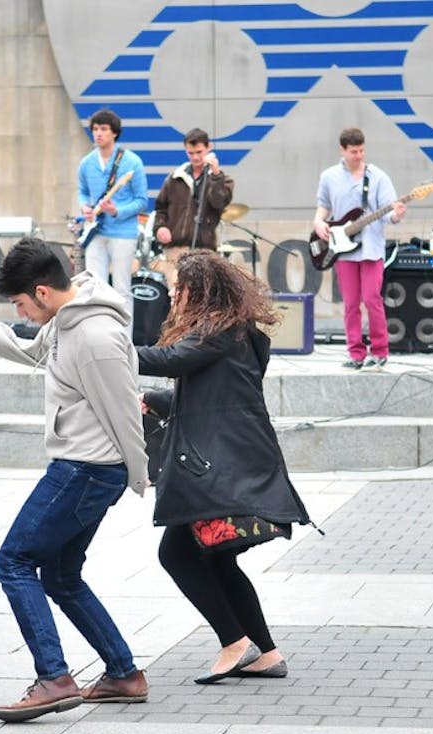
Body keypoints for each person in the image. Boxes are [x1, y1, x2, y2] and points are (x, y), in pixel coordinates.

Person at [0, 237, 150, 723]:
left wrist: (137, 476)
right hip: (84, 467)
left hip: (85, 470)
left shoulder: (94, 337)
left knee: (13, 562)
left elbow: (124, 409)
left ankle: (54, 678)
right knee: (60, 575)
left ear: (43, 292)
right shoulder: (65, 323)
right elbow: (29, 350)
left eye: (19, 303)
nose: (21, 311)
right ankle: (123, 673)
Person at [137, 251, 313, 685]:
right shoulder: (230, 332)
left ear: (199, 291)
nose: (173, 294)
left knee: (177, 554)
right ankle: (266, 654)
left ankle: (235, 643)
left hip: (221, 471)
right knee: (216, 562)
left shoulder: (219, 331)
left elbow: (168, 361)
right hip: (229, 465)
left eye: (179, 287)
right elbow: (216, 396)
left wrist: (103, 347)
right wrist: (158, 401)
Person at [314, 127, 406, 370]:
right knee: (351, 303)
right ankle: (355, 353)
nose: (359, 156)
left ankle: (380, 350)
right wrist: (318, 222)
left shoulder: (378, 177)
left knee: (372, 298)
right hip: (343, 249)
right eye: (354, 151)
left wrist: (396, 215)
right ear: (342, 150)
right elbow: (323, 206)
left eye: (362, 151)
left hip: (372, 249)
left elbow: (389, 213)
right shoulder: (329, 177)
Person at [77, 108, 148, 328]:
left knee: (121, 288)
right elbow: (82, 190)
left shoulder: (132, 162)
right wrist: (85, 207)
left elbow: (142, 200)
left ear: (114, 133)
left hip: (123, 233)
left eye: (104, 129)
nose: (98, 134)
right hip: (95, 231)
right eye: (95, 129)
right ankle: (98, 335)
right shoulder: (86, 163)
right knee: (93, 288)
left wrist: (117, 210)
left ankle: (124, 341)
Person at [153, 127, 234, 283]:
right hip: (176, 247)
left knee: (202, 296)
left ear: (208, 148)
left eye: (199, 152)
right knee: (177, 293)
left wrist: (216, 176)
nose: (195, 157)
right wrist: (160, 227)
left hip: (205, 248)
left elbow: (219, 203)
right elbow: (160, 208)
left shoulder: (222, 179)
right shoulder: (175, 177)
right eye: (190, 153)